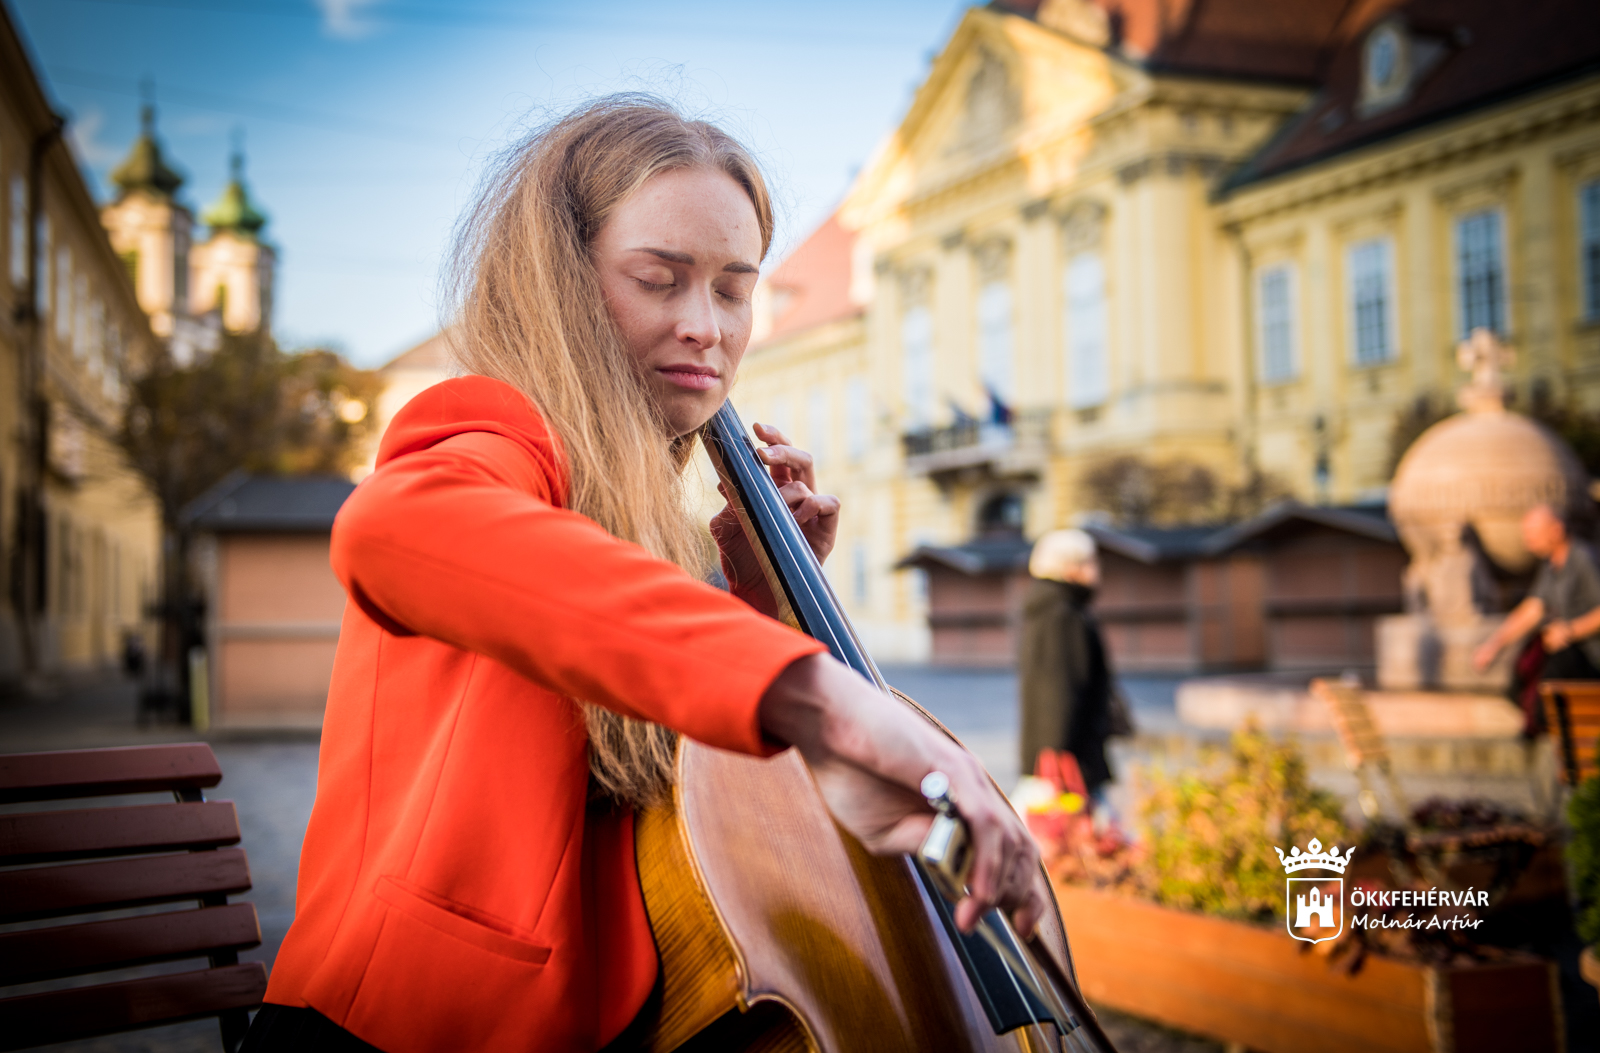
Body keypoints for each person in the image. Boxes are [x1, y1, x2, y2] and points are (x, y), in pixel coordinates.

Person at [240, 97, 1044, 1053]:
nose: (706, 326)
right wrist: (820, 696)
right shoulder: (488, 432)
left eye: (734, 290)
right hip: (405, 1026)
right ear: (564, 287)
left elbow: (700, 830)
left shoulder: (648, 511)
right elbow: (391, 524)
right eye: (661, 279)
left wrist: (763, 603)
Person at [1017, 529, 1118, 806]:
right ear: (1071, 569)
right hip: (1071, 756)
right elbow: (1059, 688)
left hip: (1060, 749)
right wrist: (1055, 751)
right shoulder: (1063, 616)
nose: (1098, 569)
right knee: (1082, 836)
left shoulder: (1049, 609)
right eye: (1091, 561)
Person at [1474, 503, 1600, 680]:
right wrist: (1493, 646)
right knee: (1522, 672)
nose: (1527, 541)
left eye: (1532, 533)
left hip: (1590, 657)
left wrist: (1570, 630)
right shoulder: (1550, 564)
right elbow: (1533, 609)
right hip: (1569, 651)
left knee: (1546, 680)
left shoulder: (1583, 559)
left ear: (1556, 530)